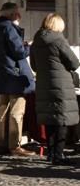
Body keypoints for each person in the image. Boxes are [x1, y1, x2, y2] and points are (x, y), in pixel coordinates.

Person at [30, 13, 79, 165]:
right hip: (60, 86)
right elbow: (74, 63)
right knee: (61, 120)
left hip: (44, 85)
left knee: (50, 120)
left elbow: (34, 66)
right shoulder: (58, 40)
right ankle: (58, 155)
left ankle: (51, 154)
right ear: (57, 25)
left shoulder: (37, 40)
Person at [0, 2, 36, 157]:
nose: (19, 16)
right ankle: (15, 146)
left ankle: (0, 143)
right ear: (10, 15)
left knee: (3, 108)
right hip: (14, 75)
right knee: (17, 110)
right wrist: (29, 46)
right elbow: (19, 52)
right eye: (17, 13)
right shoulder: (9, 28)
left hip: (2, 74)